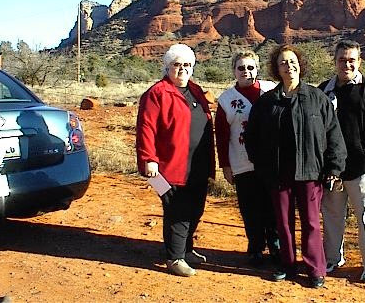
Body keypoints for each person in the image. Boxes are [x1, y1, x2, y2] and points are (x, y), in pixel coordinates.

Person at [244, 44, 347, 289]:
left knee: (311, 222)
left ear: (300, 65)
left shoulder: (316, 98)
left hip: (310, 171)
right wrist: (261, 164)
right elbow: (252, 137)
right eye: (283, 63)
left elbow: (333, 134)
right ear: (276, 69)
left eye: (292, 62)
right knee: (283, 222)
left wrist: (334, 167)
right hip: (278, 173)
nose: (288, 66)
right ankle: (286, 264)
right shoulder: (267, 102)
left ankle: (315, 270)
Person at [136, 43, 215, 277]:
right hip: (167, 168)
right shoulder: (157, 93)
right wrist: (148, 160)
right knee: (176, 211)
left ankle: (187, 249)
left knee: (195, 209)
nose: (182, 69)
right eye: (177, 65)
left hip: (197, 165)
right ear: (167, 66)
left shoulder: (196, 90)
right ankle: (175, 257)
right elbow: (146, 128)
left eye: (187, 65)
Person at [318, 39, 365, 283]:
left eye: (351, 60)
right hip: (333, 170)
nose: (346, 64)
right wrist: (326, 162)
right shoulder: (324, 90)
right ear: (335, 61)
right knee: (331, 215)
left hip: (362, 169)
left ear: (359, 61)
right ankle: (331, 259)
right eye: (342, 59)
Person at [214, 50, 280, 267]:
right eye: (241, 68)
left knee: (273, 206)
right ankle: (255, 248)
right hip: (242, 162)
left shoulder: (271, 89)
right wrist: (225, 165)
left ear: (257, 69)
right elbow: (222, 136)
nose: (246, 71)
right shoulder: (226, 100)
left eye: (250, 67)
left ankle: (276, 246)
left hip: (271, 161)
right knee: (250, 208)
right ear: (234, 71)